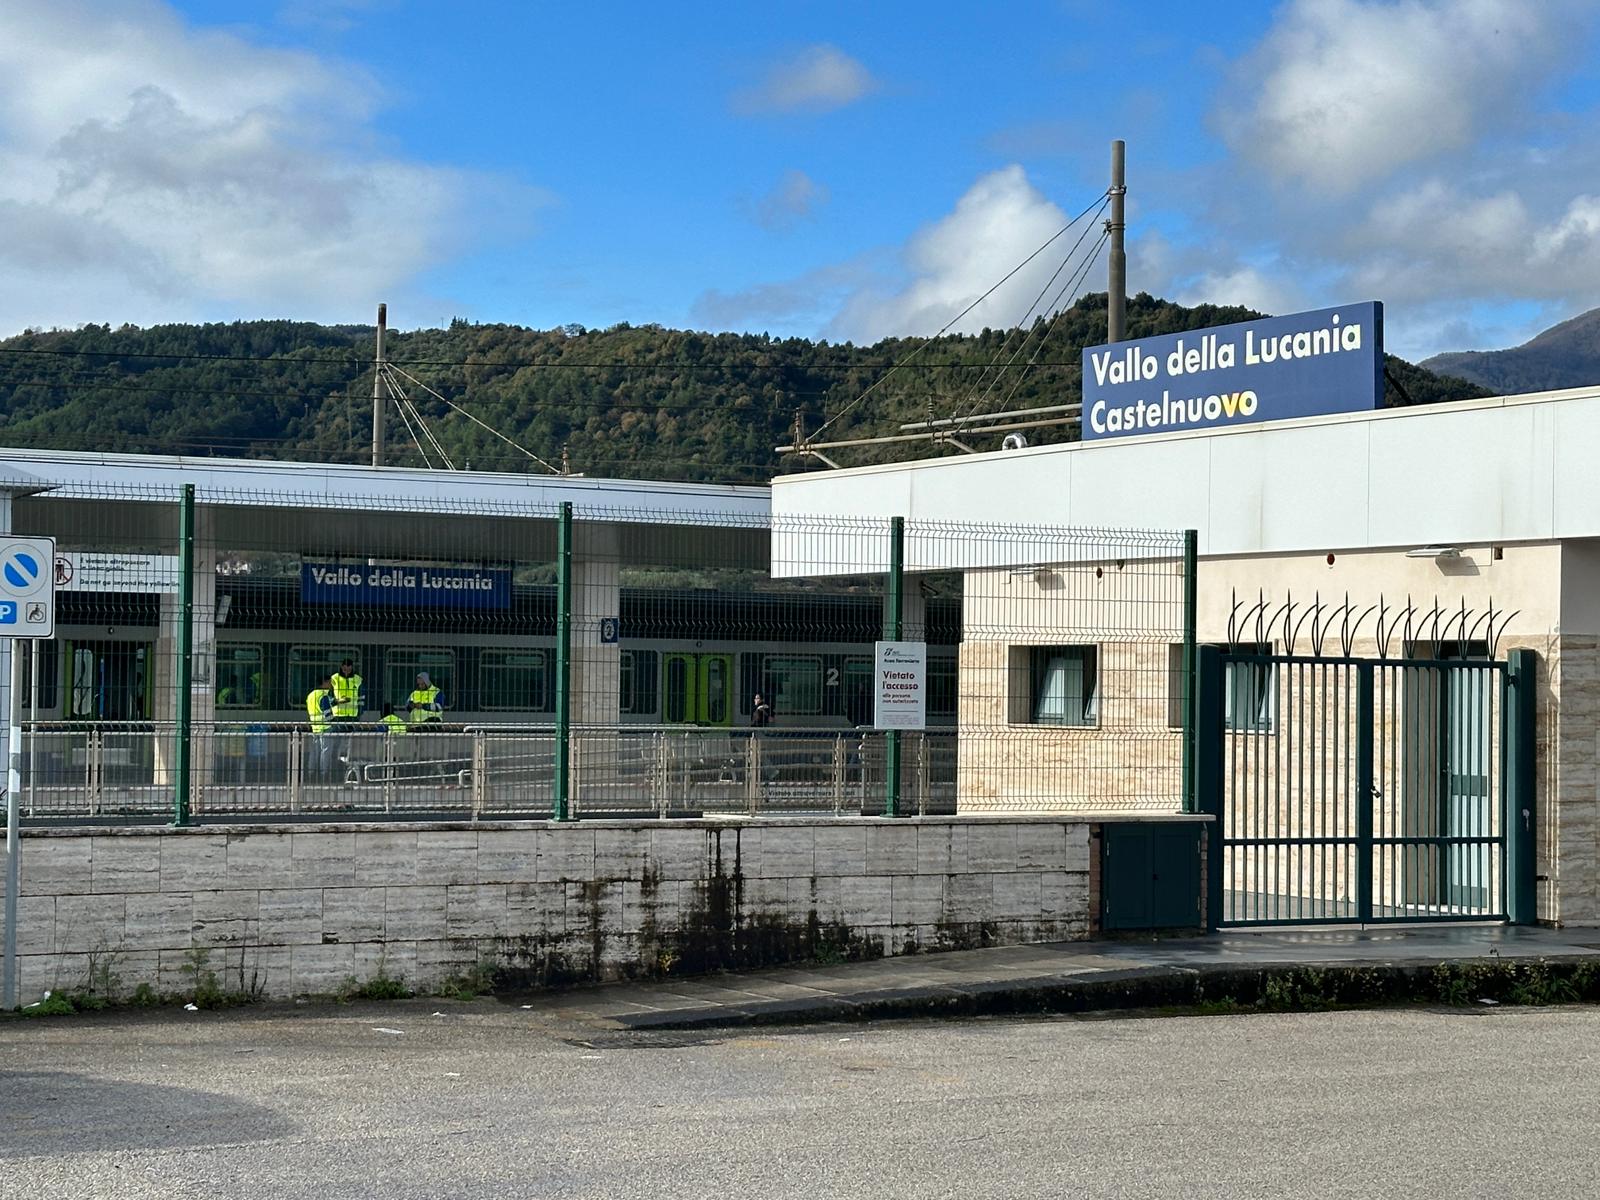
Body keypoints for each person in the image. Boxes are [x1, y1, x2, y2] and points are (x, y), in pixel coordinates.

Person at [305, 673, 336, 780]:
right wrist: (334, 721)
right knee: (325, 751)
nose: (331, 685)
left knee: (314, 751)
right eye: (330, 682)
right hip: (325, 727)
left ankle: (311, 772)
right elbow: (327, 713)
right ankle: (324, 774)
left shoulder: (311, 695)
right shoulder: (323, 696)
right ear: (325, 683)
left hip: (315, 727)